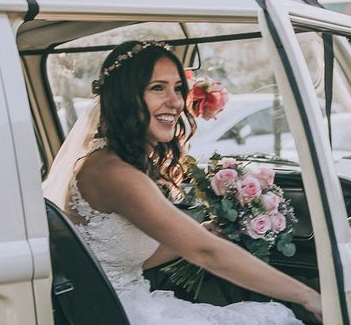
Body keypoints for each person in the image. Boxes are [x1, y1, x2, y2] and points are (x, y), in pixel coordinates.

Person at [43, 41, 322, 325]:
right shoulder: (114, 172)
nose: (175, 101)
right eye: (157, 88)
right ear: (123, 97)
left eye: (177, 88)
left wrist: (197, 233)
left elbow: (114, 259)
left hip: (129, 304)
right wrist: (307, 296)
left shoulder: (114, 161)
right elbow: (206, 253)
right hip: (119, 314)